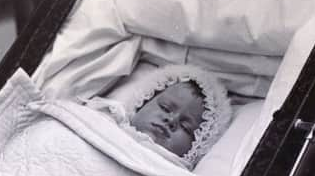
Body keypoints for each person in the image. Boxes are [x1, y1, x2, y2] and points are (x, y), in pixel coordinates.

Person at [89, 64, 232, 170]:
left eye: (186, 127)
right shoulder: (100, 118)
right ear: (143, 101)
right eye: (165, 107)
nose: (171, 120)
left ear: (196, 147)